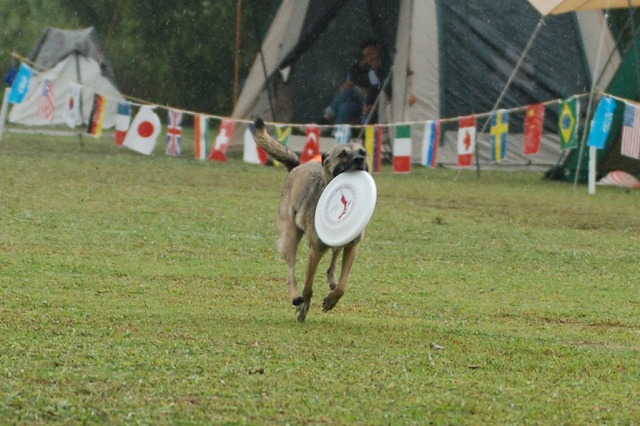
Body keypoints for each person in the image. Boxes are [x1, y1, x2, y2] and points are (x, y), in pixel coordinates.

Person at [321, 38, 388, 125]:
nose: (370, 58)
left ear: (378, 51)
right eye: (366, 56)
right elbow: (354, 75)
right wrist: (360, 67)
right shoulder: (366, 68)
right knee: (344, 107)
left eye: (372, 53)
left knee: (349, 91)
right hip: (363, 101)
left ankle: (326, 118)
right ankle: (338, 134)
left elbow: (376, 88)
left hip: (375, 102)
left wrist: (368, 102)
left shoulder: (385, 66)